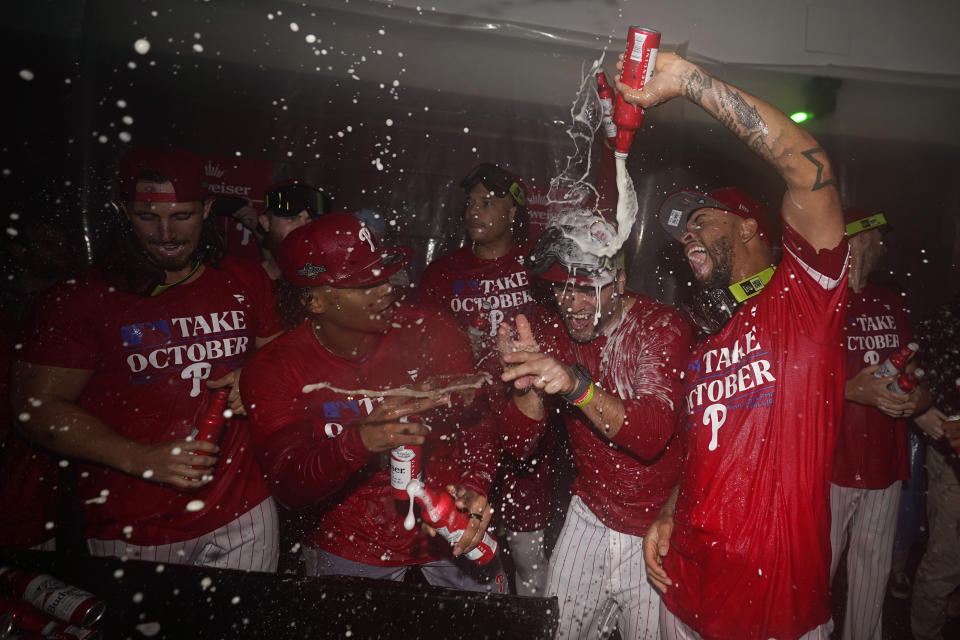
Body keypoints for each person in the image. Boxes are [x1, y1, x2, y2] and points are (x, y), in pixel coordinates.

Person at [620, 52, 849, 639]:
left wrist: (691, 84)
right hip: (685, 594)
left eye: (702, 220)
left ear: (750, 226)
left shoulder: (802, 308)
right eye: (681, 229)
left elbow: (808, 167)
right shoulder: (705, 339)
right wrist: (669, 511)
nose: (686, 234)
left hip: (771, 612)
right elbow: (704, 451)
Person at [10, 146, 283, 571]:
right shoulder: (81, 298)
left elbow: (281, 358)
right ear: (124, 211)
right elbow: (35, 409)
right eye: (147, 216)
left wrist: (255, 379)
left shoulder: (244, 279)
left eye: (181, 216)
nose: (166, 234)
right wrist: (141, 459)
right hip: (131, 522)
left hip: (243, 505)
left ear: (207, 208)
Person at [240, 213, 502, 590]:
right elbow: (290, 484)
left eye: (383, 275)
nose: (385, 290)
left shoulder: (433, 332)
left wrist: (474, 485)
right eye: (365, 283)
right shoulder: (275, 369)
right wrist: (358, 441)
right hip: (351, 549)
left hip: (451, 535)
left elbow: (477, 424)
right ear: (313, 300)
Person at [496, 215, 692, 638]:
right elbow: (517, 444)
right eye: (563, 288)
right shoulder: (550, 329)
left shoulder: (661, 327)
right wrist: (524, 385)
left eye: (587, 289)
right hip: (588, 515)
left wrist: (573, 385)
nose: (573, 303)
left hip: (657, 525)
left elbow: (651, 436)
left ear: (619, 282)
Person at [419, 162, 552, 596]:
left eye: (488, 202)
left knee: (528, 550)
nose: (475, 211)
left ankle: (532, 622)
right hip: (464, 432)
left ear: (514, 211)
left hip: (525, 426)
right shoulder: (442, 273)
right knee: (465, 545)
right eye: (470, 203)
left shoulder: (540, 267)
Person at [829, 208, 930, 640]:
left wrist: (918, 400)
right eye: (877, 236)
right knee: (814, 576)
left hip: (886, 463)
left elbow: (913, 371)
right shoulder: (821, 301)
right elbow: (793, 378)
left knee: (872, 580)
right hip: (830, 465)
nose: (883, 246)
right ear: (857, 239)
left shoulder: (889, 300)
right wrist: (851, 390)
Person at [911, 291, 960, 640]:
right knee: (946, 561)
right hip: (953, 456)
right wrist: (922, 411)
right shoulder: (944, 318)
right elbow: (913, 372)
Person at [256, 179, 325, 280]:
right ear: (266, 223)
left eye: (309, 220)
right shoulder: (244, 281)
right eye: (291, 218)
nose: (302, 227)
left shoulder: (329, 283)